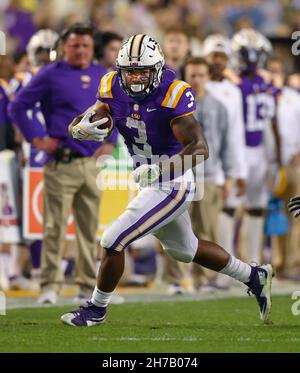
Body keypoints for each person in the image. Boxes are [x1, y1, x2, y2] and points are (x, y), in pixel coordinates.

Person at [61, 34, 273, 327]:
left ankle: (96, 309)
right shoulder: (110, 85)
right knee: (186, 249)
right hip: (149, 180)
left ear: (157, 69)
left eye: (142, 72)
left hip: (173, 181)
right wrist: (78, 129)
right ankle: (253, 276)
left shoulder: (173, 93)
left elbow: (200, 149)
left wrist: (161, 170)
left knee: (113, 239)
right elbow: (91, 117)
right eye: (130, 71)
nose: (135, 79)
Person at [9, 23, 118, 305]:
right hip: (62, 161)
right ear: (64, 47)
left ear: (92, 48)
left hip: (91, 163)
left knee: (89, 228)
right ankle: (50, 285)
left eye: (85, 46)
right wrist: (37, 138)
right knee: (54, 227)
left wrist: (111, 140)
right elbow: (17, 106)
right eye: (75, 46)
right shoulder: (49, 74)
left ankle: (85, 285)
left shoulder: (101, 75)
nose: (80, 50)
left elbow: (118, 107)